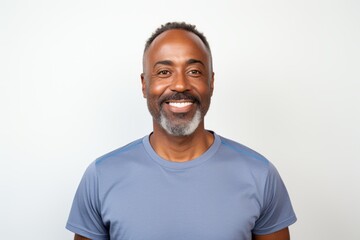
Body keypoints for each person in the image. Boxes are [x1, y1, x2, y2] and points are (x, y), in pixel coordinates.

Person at [66, 22, 297, 240]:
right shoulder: (101, 176)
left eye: (194, 71)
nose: (180, 85)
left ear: (211, 83)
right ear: (144, 85)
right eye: (164, 72)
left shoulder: (260, 174)